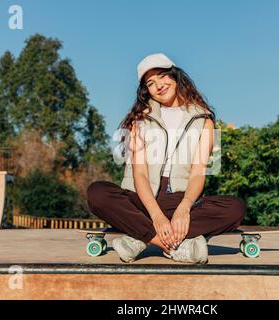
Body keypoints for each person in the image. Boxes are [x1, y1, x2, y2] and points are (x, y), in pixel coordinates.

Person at [86, 53, 247, 264]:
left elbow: (198, 173)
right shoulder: (140, 119)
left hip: (180, 199)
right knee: (97, 193)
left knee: (236, 208)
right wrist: (157, 217)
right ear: (146, 91)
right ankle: (170, 245)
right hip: (142, 199)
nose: (159, 85)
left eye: (162, 76)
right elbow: (140, 174)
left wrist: (184, 208)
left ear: (175, 76)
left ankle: (139, 238)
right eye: (151, 83)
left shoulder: (204, 119)